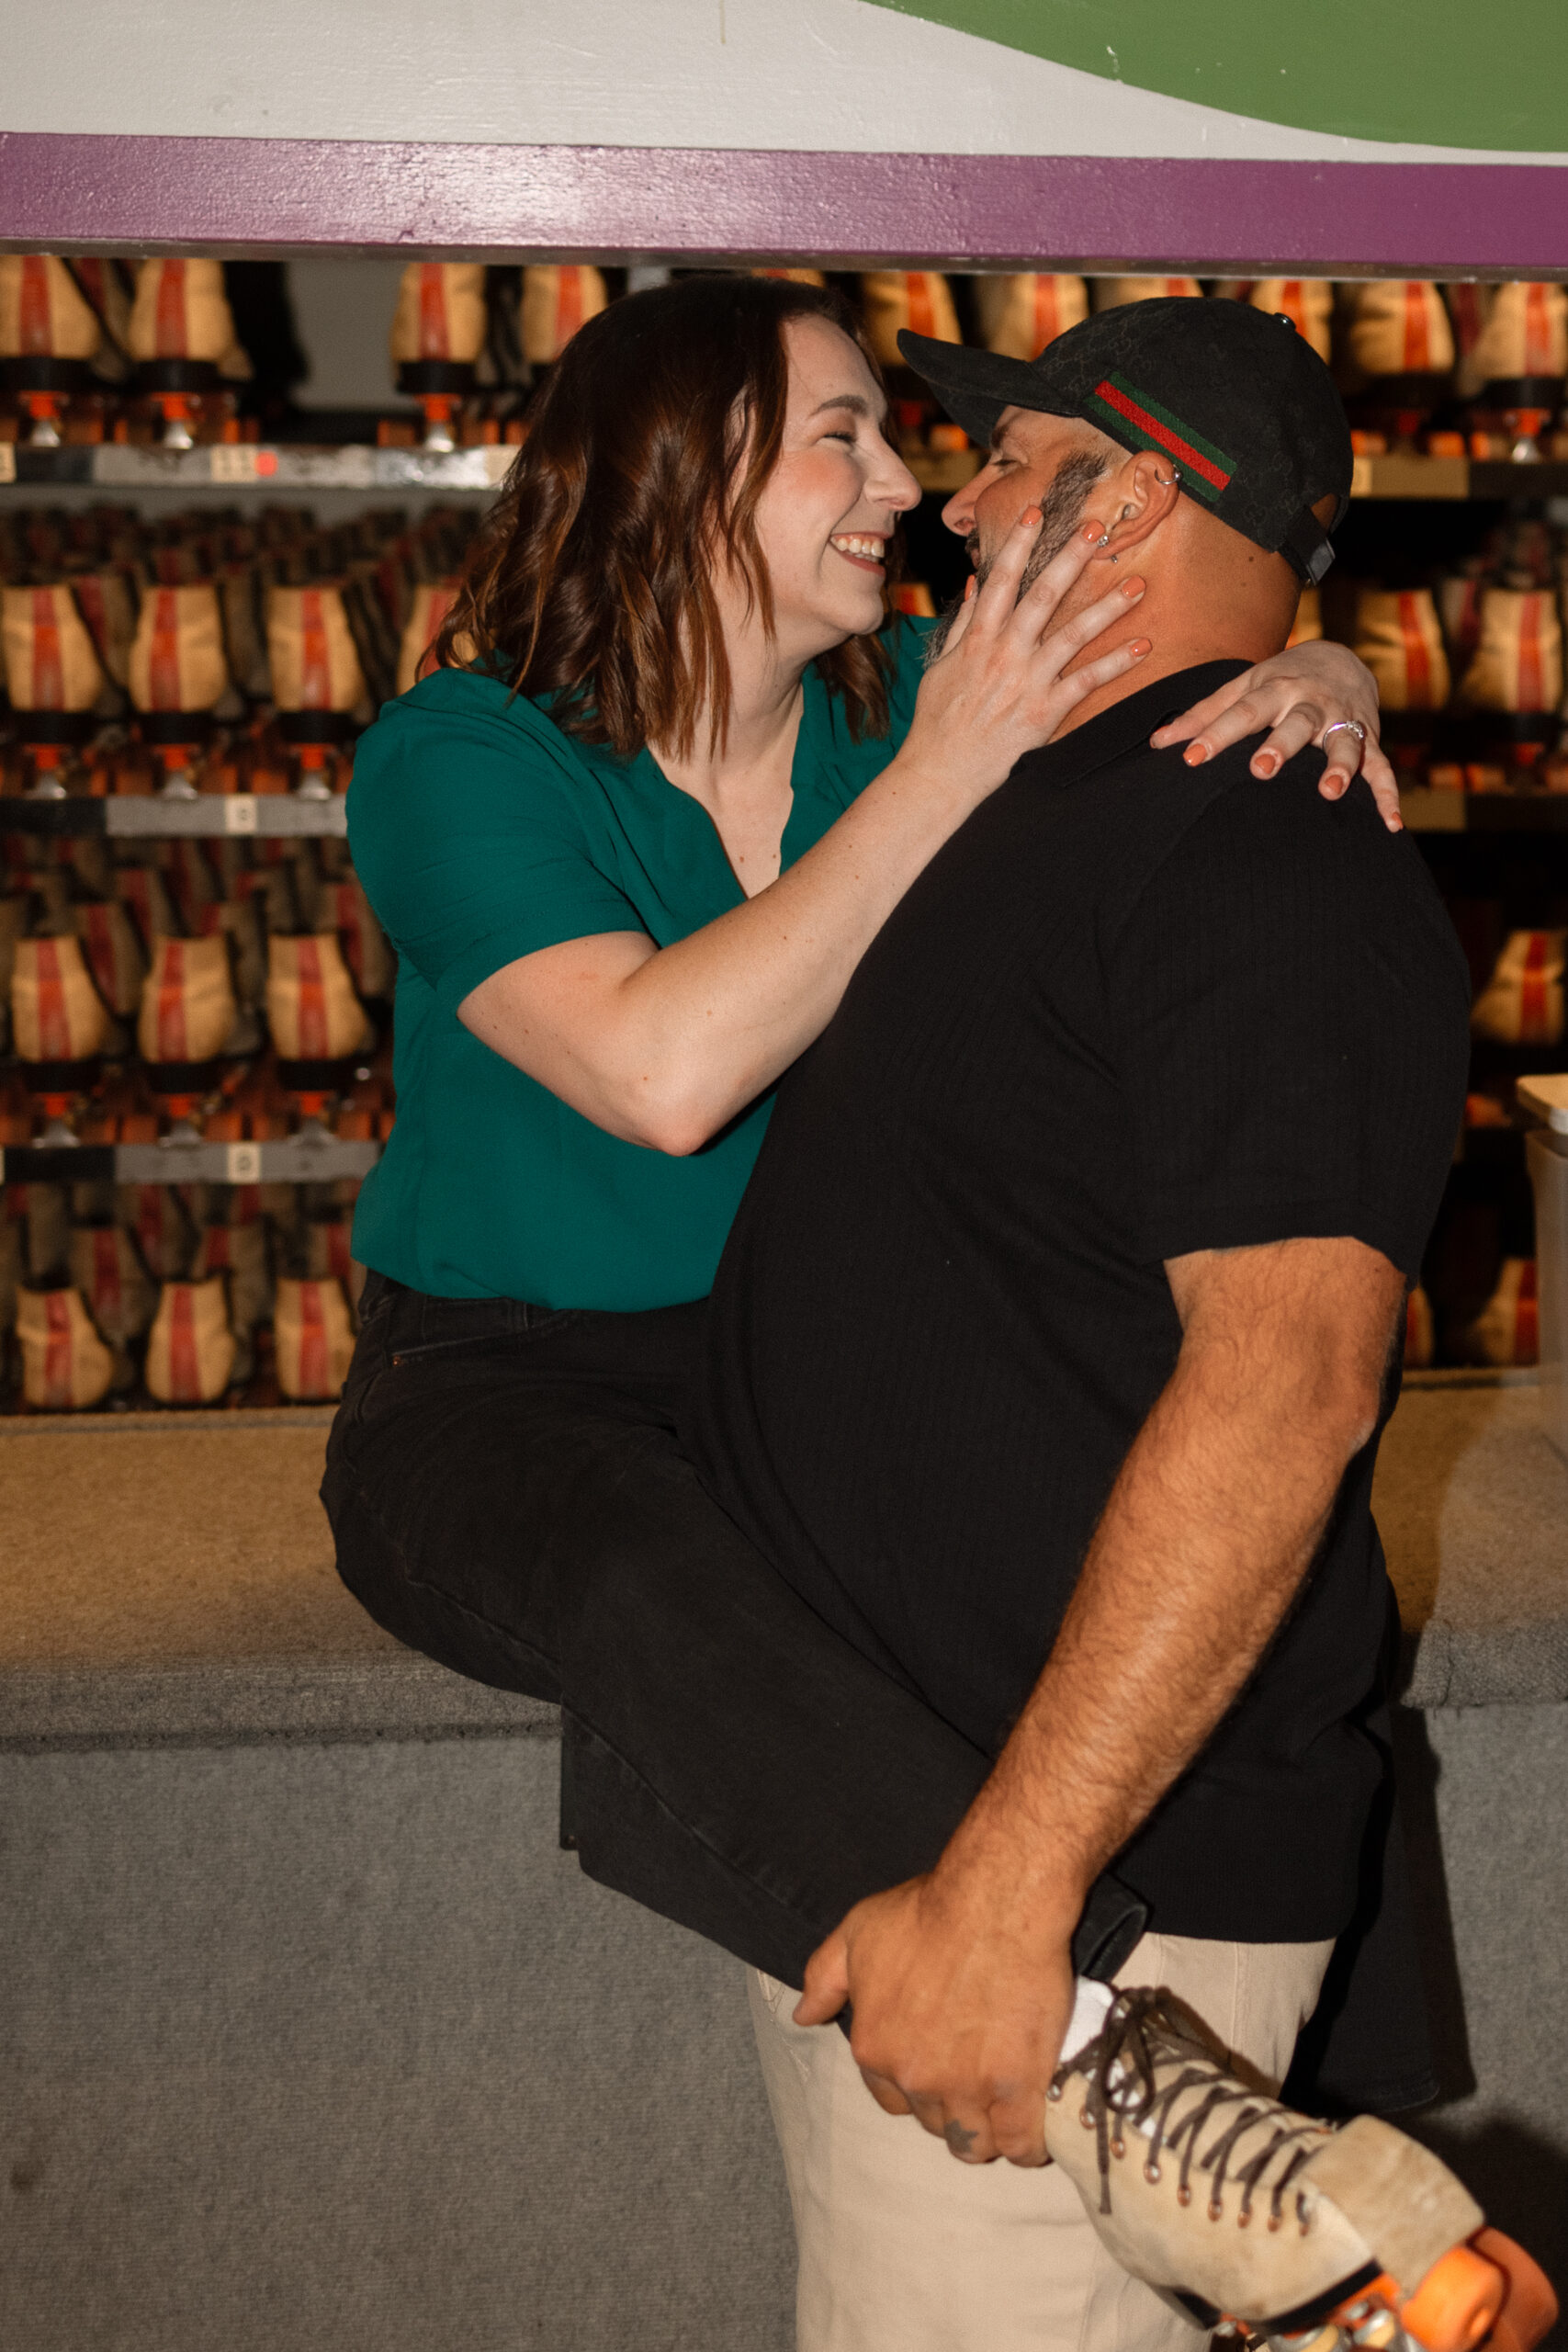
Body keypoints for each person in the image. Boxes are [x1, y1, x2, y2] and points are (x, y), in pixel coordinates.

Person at [321, 274, 1400, 2322]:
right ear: (682, 471)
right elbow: (657, 1074)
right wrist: (950, 757)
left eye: (916, 448)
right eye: (844, 437)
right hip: (508, 1397)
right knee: (648, 1562)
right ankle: (1125, 2074)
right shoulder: (462, 754)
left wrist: (1327, 672)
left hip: (779, 1380)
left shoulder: (901, 693)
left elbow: (1197, 630)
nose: (910, 491)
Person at [689, 295, 1473, 2352]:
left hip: (1071, 1914)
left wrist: (1011, 1889)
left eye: (1014, 459)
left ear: (1130, 498)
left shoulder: (1265, 849)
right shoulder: (1043, 781)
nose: (958, 495)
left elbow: (1284, 1390)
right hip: (926, 1848)